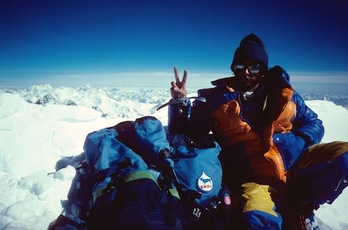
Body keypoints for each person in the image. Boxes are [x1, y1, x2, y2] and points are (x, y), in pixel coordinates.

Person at [167, 33, 348, 229]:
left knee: (344, 156)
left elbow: (314, 123)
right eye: (240, 66)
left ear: (263, 69)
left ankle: (302, 205)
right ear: (233, 67)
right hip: (256, 180)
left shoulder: (285, 95)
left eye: (253, 67)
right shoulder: (216, 101)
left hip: (296, 163)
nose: (246, 72)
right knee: (258, 221)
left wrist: (296, 142)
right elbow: (187, 134)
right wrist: (180, 104)